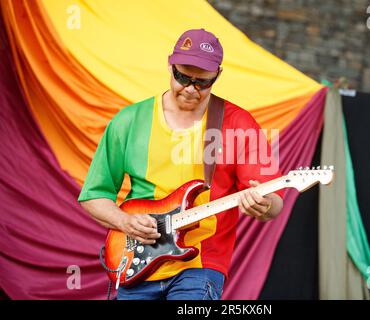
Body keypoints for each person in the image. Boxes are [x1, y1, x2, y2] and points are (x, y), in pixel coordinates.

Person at [78, 28, 284, 300]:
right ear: (169, 64)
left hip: (201, 266)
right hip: (138, 260)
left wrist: (265, 205)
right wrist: (125, 222)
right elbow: (94, 195)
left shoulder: (237, 124)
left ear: (218, 76)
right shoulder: (128, 121)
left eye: (202, 82)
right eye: (182, 77)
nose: (190, 88)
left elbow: (274, 201)